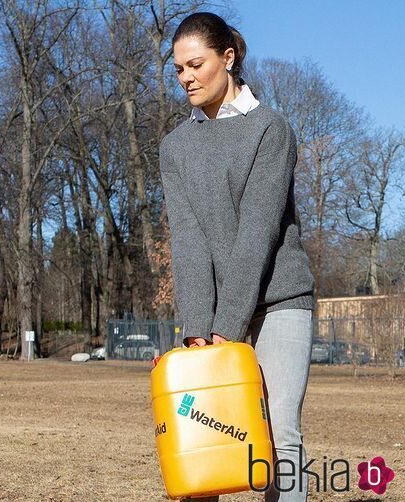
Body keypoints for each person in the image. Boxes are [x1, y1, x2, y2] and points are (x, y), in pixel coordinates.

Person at [159, 12, 315, 502]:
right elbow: (188, 240)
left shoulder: (270, 130)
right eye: (178, 68)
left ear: (228, 58)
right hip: (215, 314)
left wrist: (228, 325)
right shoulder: (175, 147)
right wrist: (197, 328)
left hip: (279, 300)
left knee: (278, 431)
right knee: (202, 435)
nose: (186, 77)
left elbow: (258, 232)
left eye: (196, 64)